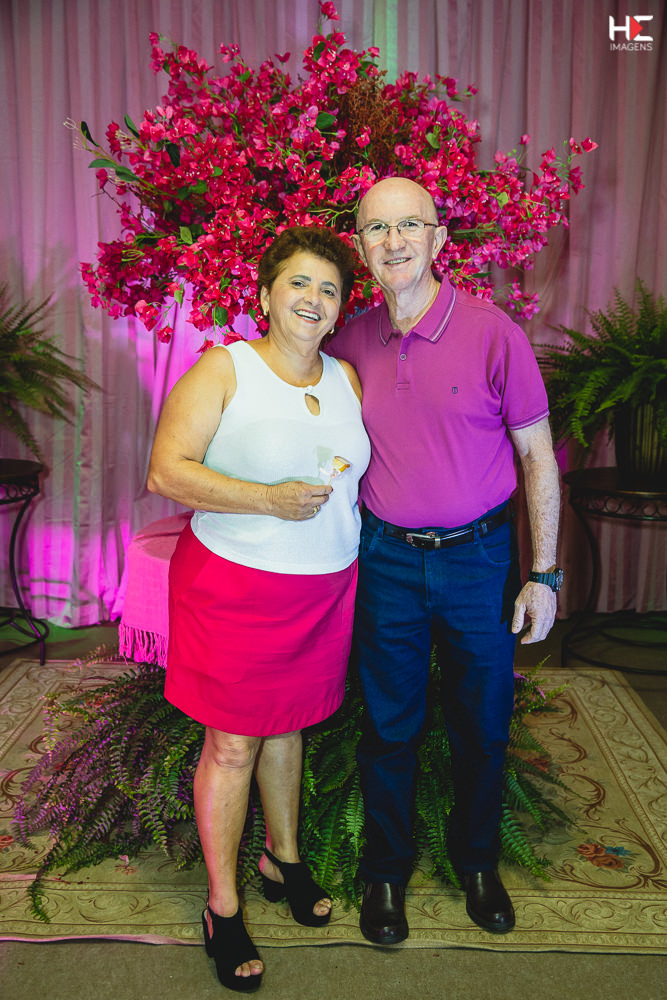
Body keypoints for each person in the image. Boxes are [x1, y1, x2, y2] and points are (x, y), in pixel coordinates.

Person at [327, 176, 562, 944]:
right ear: (359, 245)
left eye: (408, 225)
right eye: (375, 228)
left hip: (478, 562)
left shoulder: (494, 334)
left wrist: (543, 574)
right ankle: (385, 873)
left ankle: (477, 863)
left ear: (438, 238)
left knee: (482, 724)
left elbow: (537, 459)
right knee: (388, 726)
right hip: (386, 562)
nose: (392, 241)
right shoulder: (348, 342)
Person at [147, 225, 370, 992]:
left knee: (290, 724)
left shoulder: (346, 378)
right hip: (235, 586)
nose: (313, 298)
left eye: (329, 289)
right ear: (267, 294)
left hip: (323, 589)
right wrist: (265, 499)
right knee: (234, 745)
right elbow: (166, 472)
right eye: (298, 282)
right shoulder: (225, 368)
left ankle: (283, 859)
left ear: (340, 309)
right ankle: (222, 906)